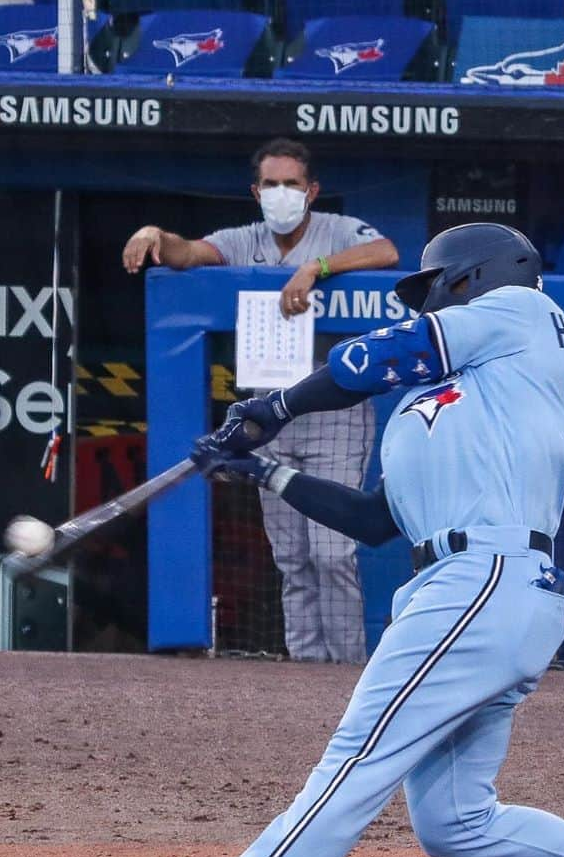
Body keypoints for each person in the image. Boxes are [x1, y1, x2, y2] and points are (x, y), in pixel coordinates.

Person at [119, 223, 564, 857]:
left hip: (483, 579)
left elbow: (371, 357)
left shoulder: (524, 312)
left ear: (474, 277)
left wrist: (272, 406)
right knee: (454, 820)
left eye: (435, 286)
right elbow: (375, 520)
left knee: (350, 769)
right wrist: (262, 468)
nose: (428, 298)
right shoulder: (457, 404)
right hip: (476, 591)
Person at [122, 137, 399, 664]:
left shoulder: (337, 231)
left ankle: (347, 670)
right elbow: (185, 254)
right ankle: (306, 667)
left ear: (311, 190)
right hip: (265, 417)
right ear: (256, 191)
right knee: (292, 556)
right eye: (270, 184)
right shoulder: (243, 238)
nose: (281, 193)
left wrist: (317, 267)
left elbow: (387, 252)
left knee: (333, 551)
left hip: (334, 417)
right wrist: (154, 232)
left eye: (291, 184)